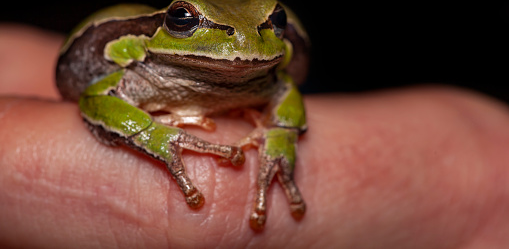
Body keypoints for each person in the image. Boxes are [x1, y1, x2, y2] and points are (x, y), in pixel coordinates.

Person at [1, 24, 509, 248]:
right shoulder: (129, 67)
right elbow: (93, 98)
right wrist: (154, 135)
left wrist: (281, 140)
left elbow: (286, 99)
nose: (242, 41)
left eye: (274, 24)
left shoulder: (274, 78)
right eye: (183, 21)